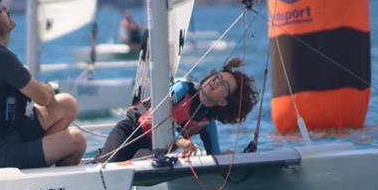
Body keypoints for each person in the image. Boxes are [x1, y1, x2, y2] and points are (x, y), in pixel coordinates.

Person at [0, 0, 86, 169]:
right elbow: (44, 98)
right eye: (0, 9)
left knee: (67, 104)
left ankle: (40, 163)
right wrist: (47, 87)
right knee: (76, 140)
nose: (6, 9)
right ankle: (44, 176)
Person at [95, 58, 258, 163]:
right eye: (218, 77)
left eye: (223, 85)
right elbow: (159, 115)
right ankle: (98, 158)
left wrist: (228, 157)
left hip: (153, 150)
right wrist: (181, 141)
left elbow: (213, 156)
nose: (215, 81)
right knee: (109, 164)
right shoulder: (183, 88)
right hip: (130, 132)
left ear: (223, 102)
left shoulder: (207, 122)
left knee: (153, 162)